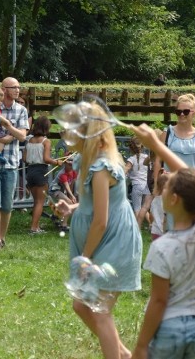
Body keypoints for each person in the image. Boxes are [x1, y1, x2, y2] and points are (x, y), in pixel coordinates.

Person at [54, 99, 142, 359]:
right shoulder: (86, 158)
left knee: (99, 311)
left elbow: (102, 220)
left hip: (112, 241)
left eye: (71, 128)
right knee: (81, 305)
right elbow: (96, 203)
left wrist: (86, 258)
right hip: (102, 239)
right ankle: (124, 354)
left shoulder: (102, 166)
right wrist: (73, 209)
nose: (66, 133)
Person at [130, 126, 195, 359]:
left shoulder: (161, 247)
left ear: (173, 200)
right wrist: (156, 144)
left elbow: (159, 301)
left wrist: (141, 345)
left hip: (170, 329)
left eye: (166, 187)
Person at [0, 78, 29, 250]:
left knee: (7, 204)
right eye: (14, 87)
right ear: (3, 89)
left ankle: (2, 238)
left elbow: (22, 136)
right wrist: (4, 137)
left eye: (19, 87)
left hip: (11, 162)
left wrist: (8, 127)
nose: (17, 90)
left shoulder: (21, 110)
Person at [153, 94, 195, 177]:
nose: (182, 114)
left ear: (194, 112)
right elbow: (158, 161)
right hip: (170, 186)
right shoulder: (167, 133)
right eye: (178, 112)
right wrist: (157, 186)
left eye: (186, 111)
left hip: (192, 186)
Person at [23, 116, 59, 235]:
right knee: (40, 202)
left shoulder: (29, 140)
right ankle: (33, 228)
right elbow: (46, 159)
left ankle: (36, 226)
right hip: (40, 171)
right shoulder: (46, 141)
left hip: (30, 171)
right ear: (46, 128)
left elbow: (24, 158)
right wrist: (57, 162)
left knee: (36, 201)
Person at [125, 139, 151, 227]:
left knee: (137, 208)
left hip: (136, 186)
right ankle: (152, 225)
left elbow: (126, 169)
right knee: (145, 208)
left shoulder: (131, 159)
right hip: (146, 186)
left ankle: (137, 228)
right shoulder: (147, 157)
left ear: (131, 148)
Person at [149, 174, 168, 241]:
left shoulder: (155, 200)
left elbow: (151, 215)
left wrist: (151, 223)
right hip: (166, 231)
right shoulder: (170, 201)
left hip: (155, 230)